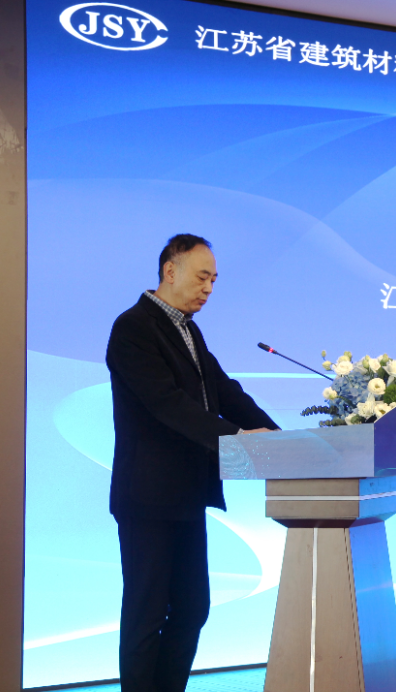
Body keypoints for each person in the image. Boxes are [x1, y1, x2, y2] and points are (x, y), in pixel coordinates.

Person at [106, 234, 280, 692]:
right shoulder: (133, 328)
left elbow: (224, 391)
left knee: (191, 608)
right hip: (147, 497)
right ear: (170, 271)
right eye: (202, 277)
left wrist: (281, 439)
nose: (209, 288)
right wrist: (237, 439)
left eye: (214, 280)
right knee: (146, 613)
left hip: (185, 494)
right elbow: (167, 403)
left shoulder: (188, 329)